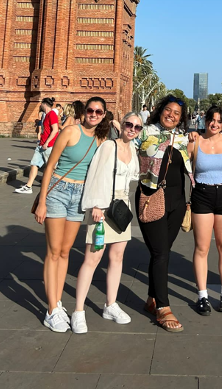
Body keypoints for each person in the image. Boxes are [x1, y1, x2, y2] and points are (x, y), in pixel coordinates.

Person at [34, 96, 112, 332]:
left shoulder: (101, 139)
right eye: (91, 110)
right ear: (84, 111)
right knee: (54, 251)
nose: (94, 115)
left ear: (104, 115)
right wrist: (42, 201)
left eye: (99, 112)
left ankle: (57, 302)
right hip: (59, 191)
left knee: (66, 251)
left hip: (80, 197)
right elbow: (50, 166)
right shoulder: (69, 132)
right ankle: (51, 309)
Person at [71, 112, 142, 332]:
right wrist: (95, 205)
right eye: (129, 124)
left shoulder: (133, 150)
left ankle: (110, 304)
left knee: (117, 256)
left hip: (122, 209)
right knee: (93, 257)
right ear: (121, 125)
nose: (132, 129)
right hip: (103, 206)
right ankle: (78, 311)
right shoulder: (109, 147)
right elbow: (94, 175)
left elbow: (133, 178)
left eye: (137, 127)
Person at [135, 95, 194, 333]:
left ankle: (151, 299)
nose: (171, 115)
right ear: (160, 111)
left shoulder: (183, 137)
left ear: (181, 117)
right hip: (151, 199)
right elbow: (122, 147)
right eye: (167, 110)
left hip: (177, 203)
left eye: (176, 113)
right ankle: (163, 307)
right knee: (160, 253)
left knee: (163, 252)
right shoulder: (143, 132)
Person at [189, 106, 222, 315]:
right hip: (202, 194)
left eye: (219, 121)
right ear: (205, 120)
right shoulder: (195, 142)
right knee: (202, 247)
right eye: (212, 119)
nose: (215, 124)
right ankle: (202, 295)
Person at [15, 98, 59, 194]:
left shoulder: (52, 114)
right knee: (34, 164)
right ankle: (28, 186)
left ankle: (59, 183)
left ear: (44, 104)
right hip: (41, 145)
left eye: (41, 104)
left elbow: (55, 130)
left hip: (48, 145)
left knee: (52, 166)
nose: (40, 106)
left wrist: (47, 142)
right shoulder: (46, 115)